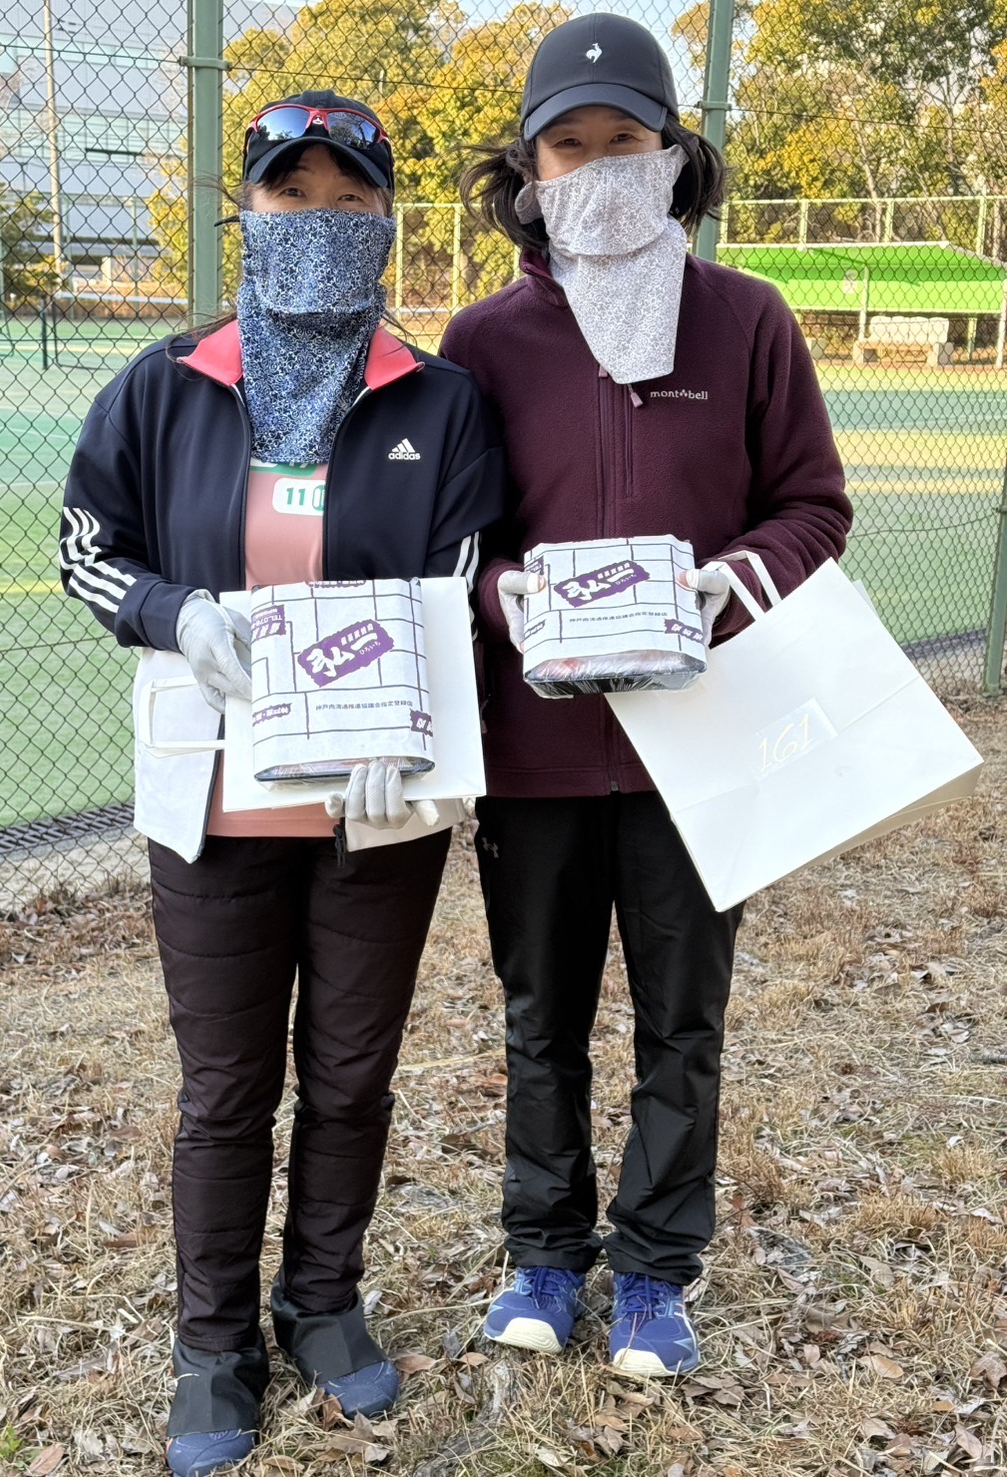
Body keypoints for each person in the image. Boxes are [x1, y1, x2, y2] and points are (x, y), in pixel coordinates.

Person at [59, 90, 502, 1477]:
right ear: (245, 212)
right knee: (225, 1088)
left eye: (348, 197)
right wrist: (172, 611)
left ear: (387, 219)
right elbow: (86, 548)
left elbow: (462, 583)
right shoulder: (162, 385)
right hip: (214, 801)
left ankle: (321, 1301)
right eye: (289, 194)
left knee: (352, 1077)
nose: (318, 219)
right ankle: (213, 1346)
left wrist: (411, 716)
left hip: (380, 803)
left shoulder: (438, 399)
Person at [442, 14, 852, 1379]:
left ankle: (657, 1273)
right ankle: (545, 1256)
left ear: (675, 154)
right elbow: (456, 537)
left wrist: (729, 583)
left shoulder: (746, 320)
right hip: (539, 749)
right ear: (529, 167)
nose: (601, 166)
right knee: (540, 1017)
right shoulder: (485, 339)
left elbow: (814, 503)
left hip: (701, 740)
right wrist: (508, 596)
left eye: (628, 139)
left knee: (685, 1021)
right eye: (571, 145)